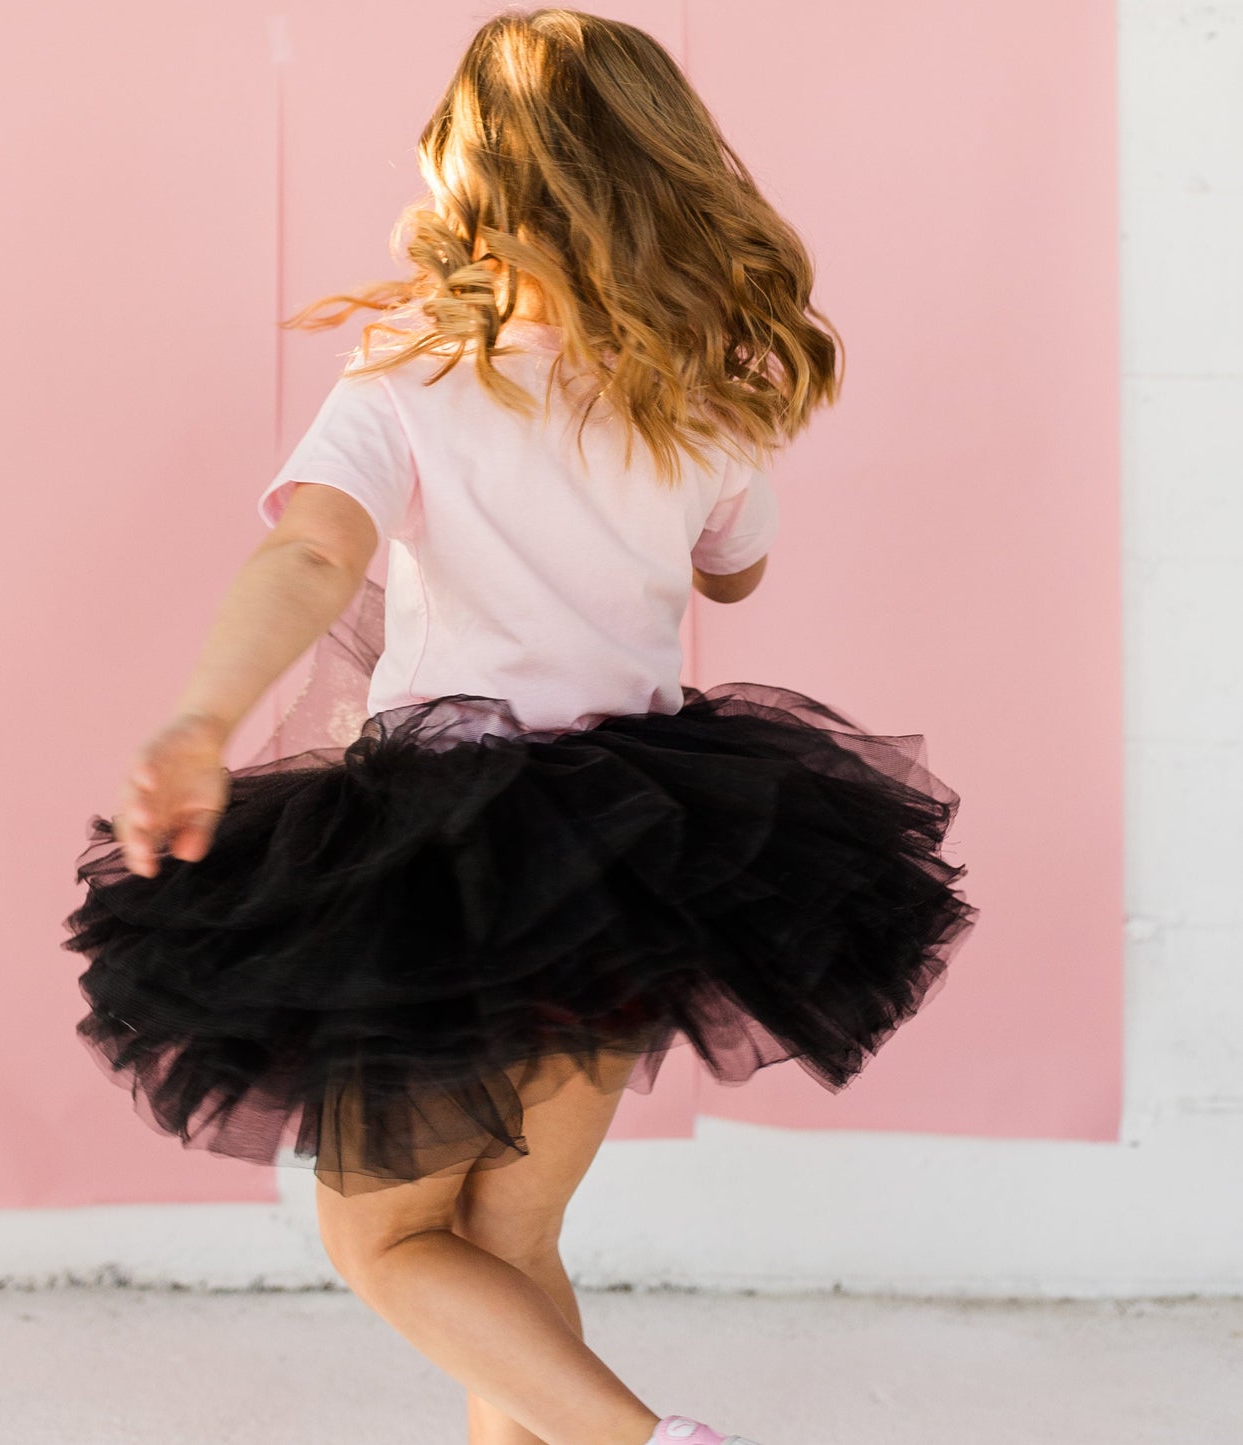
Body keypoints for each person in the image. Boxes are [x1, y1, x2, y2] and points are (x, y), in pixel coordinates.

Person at [61, 10, 978, 1444]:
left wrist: (200, 718)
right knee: (508, 1237)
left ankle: (650, 1442)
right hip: (644, 850)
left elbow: (309, 558)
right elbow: (730, 566)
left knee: (385, 1243)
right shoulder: (705, 392)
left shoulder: (409, 381)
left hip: (445, 847)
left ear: (470, 179)